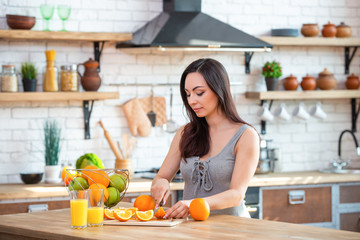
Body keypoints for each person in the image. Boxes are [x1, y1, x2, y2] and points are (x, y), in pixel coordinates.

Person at [151, 58, 259, 218]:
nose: (192, 101)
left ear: (219, 89)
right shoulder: (185, 133)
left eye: (199, 93)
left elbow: (237, 194)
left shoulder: (245, 136)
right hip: (192, 229)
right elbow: (161, 176)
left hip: (233, 230)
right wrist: (161, 182)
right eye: (188, 94)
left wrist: (194, 204)